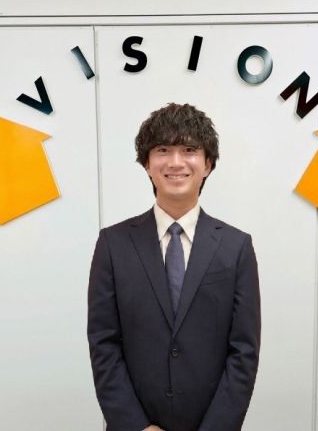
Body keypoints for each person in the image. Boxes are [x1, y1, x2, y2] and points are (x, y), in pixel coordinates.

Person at [88, 103, 261, 431]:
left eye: (190, 150)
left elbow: (244, 352)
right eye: (163, 150)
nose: (176, 162)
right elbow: (103, 343)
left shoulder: (236, 247)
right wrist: (137, 426)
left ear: (207, 164)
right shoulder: (113, 244)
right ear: (147, 164)